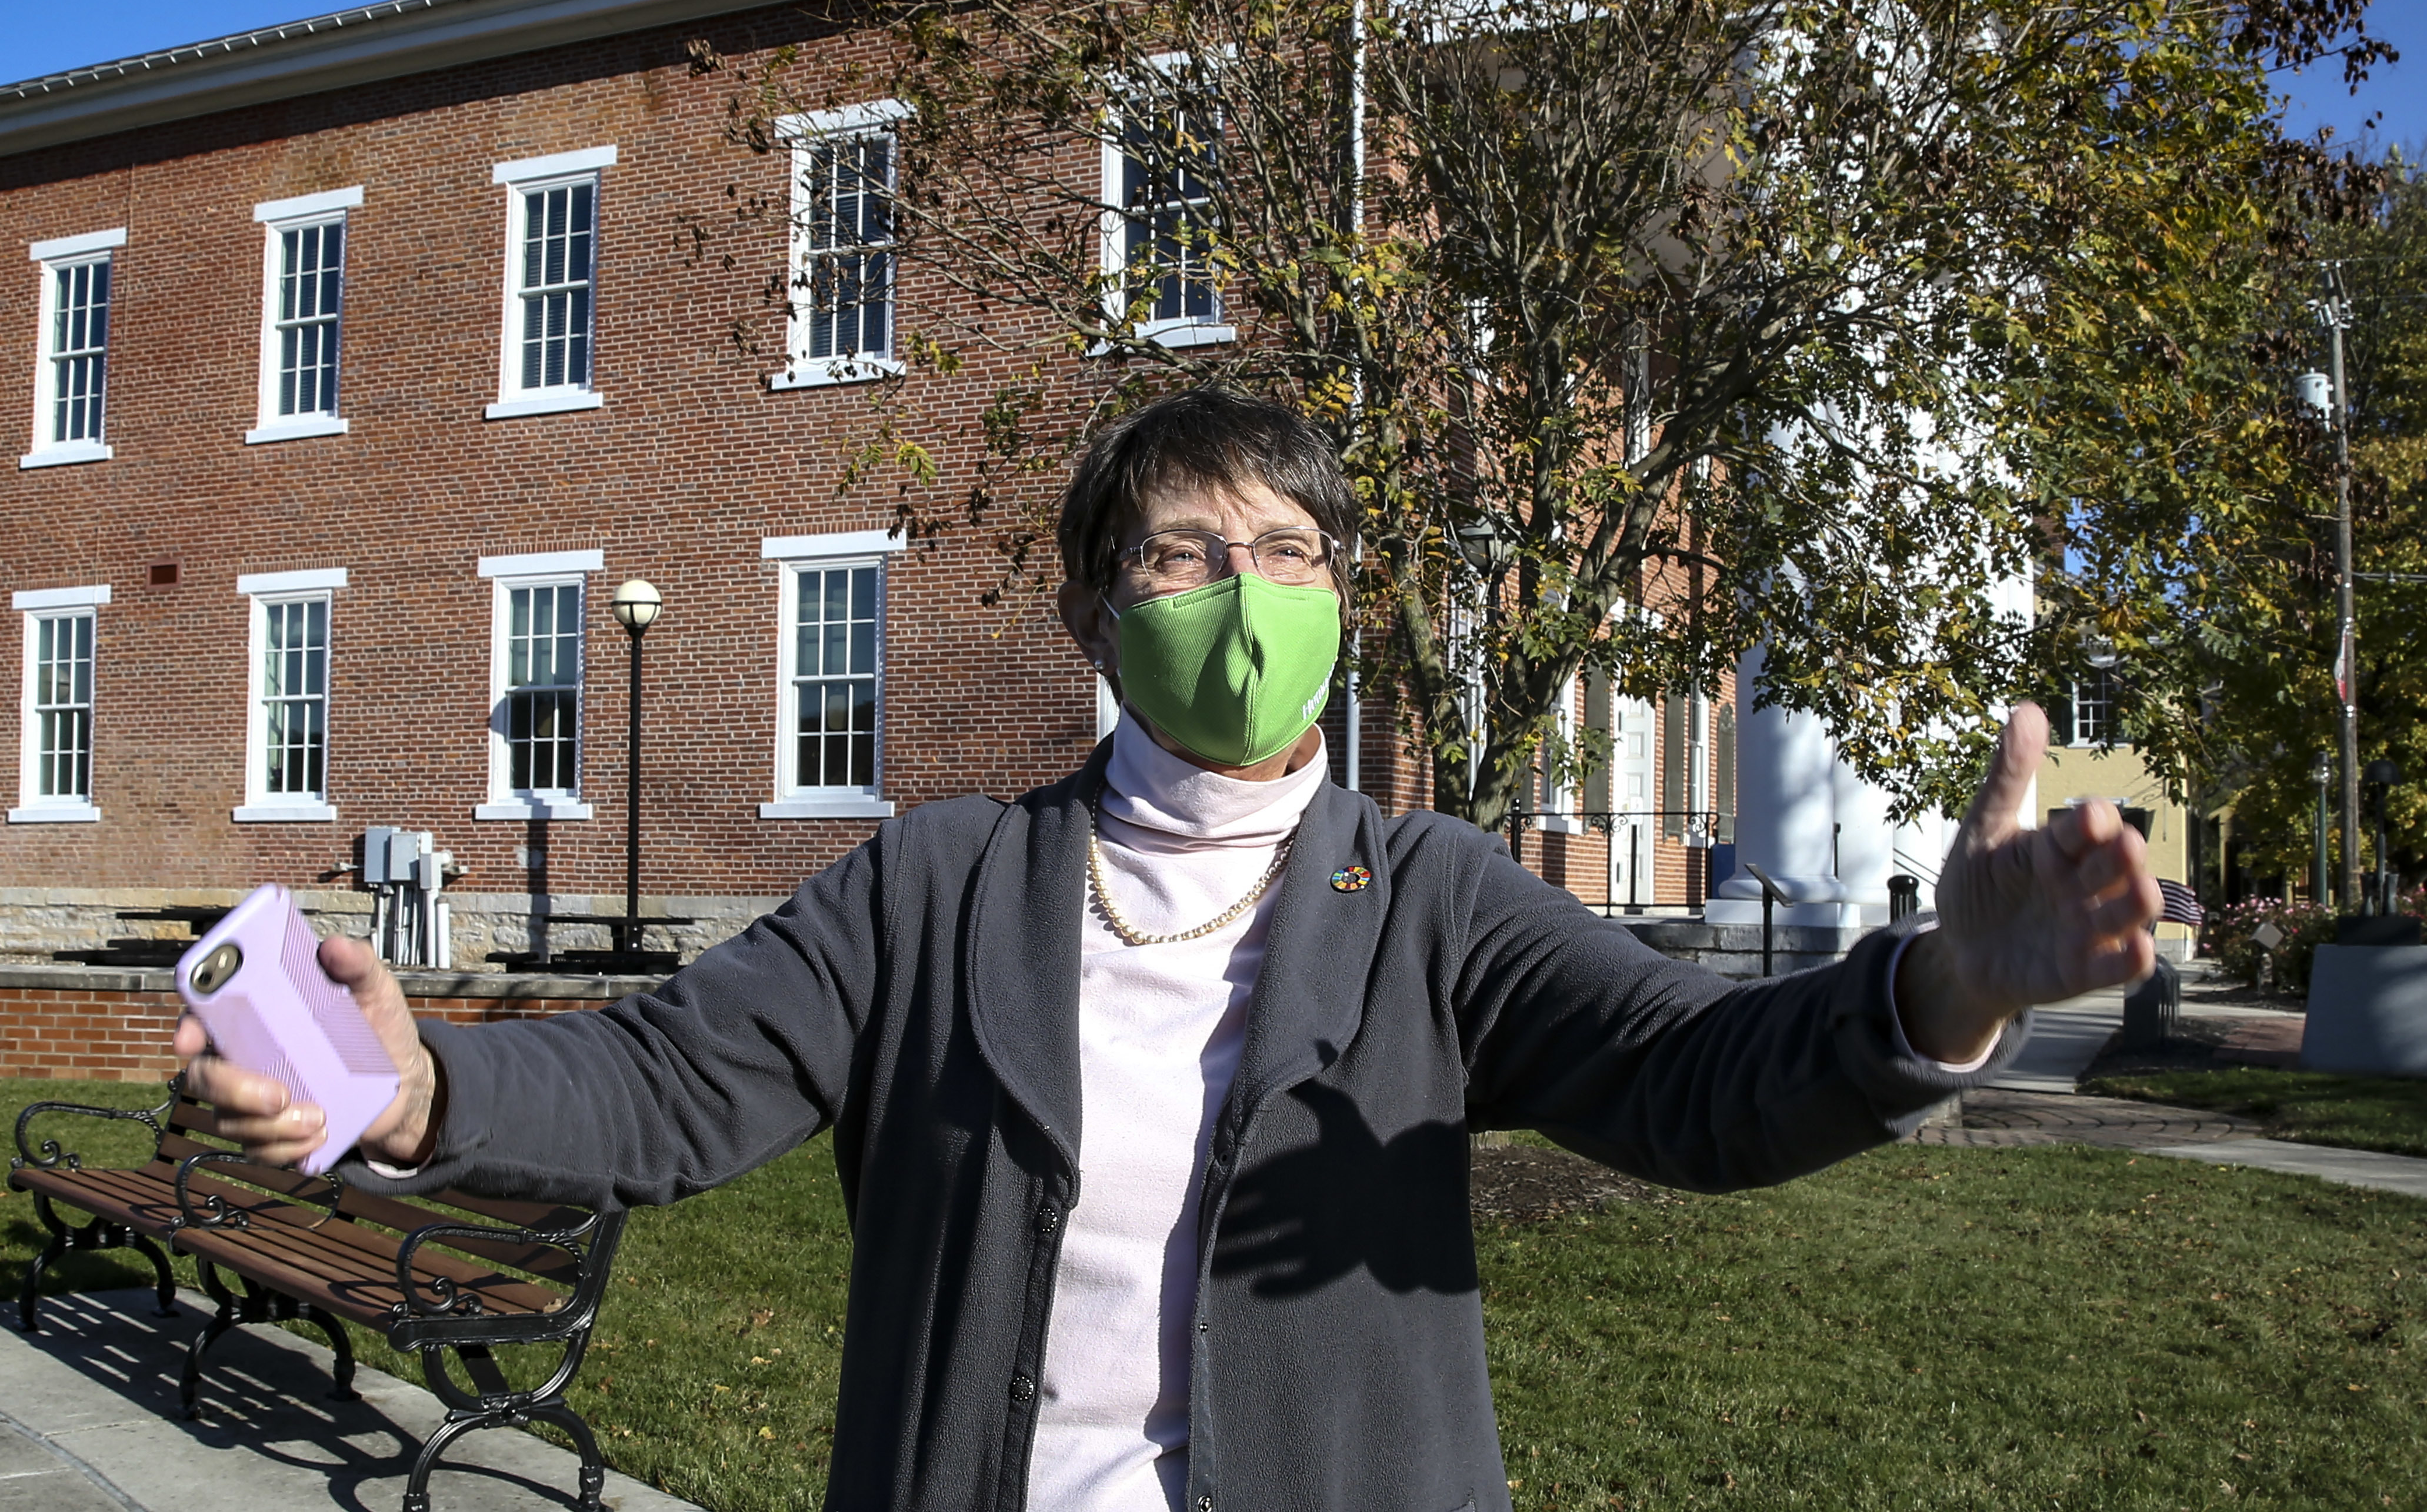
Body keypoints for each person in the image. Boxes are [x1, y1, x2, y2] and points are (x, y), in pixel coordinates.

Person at [182, 385, 2163, 1512]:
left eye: (1293, 553)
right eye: (1188, 555)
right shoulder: (938, 883)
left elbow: (1689, 1080)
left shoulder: (1437, 897)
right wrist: (427, 1078)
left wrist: (1939, 987)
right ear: (1091, 614)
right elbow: (675, 1078)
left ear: (1346, 605)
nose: (1249, 594)